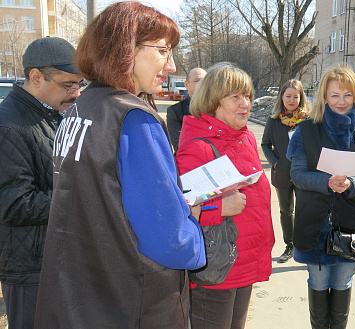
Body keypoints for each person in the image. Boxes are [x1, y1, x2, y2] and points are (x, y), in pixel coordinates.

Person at [34, 2, 207, 328]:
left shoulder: (79, 107)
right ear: (125, 49)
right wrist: (192, 224)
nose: (170, 65)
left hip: (80, 295)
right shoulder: (133, 120)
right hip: (135, 302)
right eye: (163, 51)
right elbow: (171, 242)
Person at [286, 64, 355, 329]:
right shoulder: (306, 130)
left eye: (347, 95)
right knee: (318, 282)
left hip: (353, 224)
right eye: (334, 95)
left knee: (343, 282)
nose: (341, 102)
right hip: (313, 225)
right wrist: (327, 182)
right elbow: (297, 174)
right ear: (323, 97)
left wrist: (353, 183)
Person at [175, 62, 275, 329]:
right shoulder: (198, 148)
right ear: (213, 101)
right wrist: (217, 209)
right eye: (235, 97)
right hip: (215, 270)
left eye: (248, 97)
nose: (245, 104)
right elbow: (179, 212)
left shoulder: (246, 139)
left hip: (244, 262)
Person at [0, 36, 84, 329]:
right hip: (29, 271)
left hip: (53, 261)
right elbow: (13, 206)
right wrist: (83, 196)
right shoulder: (9, 125)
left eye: (79, 84)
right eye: (68, 85)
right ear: (36, 77)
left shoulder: (49, 115)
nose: (75, 93)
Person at [261, 79, 309, 263]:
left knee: (305, 210)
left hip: (305, 174)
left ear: (300, 98)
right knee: (286, 211)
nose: (291, 100)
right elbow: (265, 144)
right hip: (282, 173)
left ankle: (303, 247)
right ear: (282, 97)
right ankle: (289, 246)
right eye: (288, 96)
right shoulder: (274, 120)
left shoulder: (308, 120)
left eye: (295, 97)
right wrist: (274, 163)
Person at [167, 67, 207, 151]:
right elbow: (179, 145)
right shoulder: (175, 111)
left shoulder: (217, 108)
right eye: (197, 81)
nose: (202, 84)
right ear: (186, 85)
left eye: (205, 81)